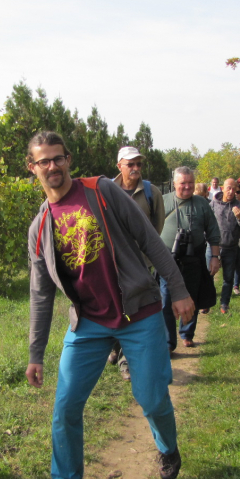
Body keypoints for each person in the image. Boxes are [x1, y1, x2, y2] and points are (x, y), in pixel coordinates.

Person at [25, 131, 194, 479]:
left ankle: (168, 448)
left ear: (68, 159)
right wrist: (36, 353)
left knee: (151, 397)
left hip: (139, 313)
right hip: (88, 323)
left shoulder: (100, 191)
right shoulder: (41, 227)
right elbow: (40, 295)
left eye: (58, 158)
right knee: (66, 404)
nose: (52, 166)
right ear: (32, 168)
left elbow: (150, 240)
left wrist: (179, 289)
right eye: (43, 161)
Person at [108, 145, 166, 381]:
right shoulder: (105, 191)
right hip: (110, 263)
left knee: (132, 311)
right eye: (130, 164)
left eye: (138, 164)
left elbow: (157, 228)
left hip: (140, 264)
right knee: (112, 306)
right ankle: (113, 345)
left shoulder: (152, 193)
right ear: (119, 166)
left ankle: (125, 360)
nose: (135, 168)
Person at [161, 167, 221, 349]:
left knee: (191, 296)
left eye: (190, 183)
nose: (187, 187)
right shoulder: (162, 201)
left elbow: (213, 230)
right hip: (166, 259)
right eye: (183, 183)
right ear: (174, 184)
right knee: (165, 299)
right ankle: (168, 342)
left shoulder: (202, 204)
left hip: (194, 258)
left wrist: (215, 256)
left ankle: (187, 333)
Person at [210, 178, 240, 314]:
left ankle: (224, 304)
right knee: (208, 275)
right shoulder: (213, 204)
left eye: (234, 189)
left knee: (228, 278)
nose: (231, 191)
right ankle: (206, 302)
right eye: (228, 188)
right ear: (223, 188)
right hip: (213, 247)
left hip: (231, 247)